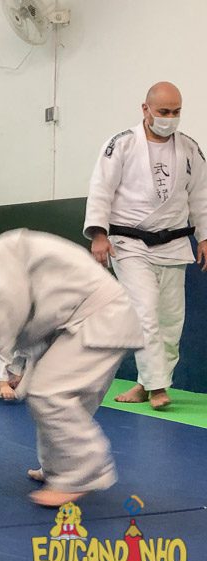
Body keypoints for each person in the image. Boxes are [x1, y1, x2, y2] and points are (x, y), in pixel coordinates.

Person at [0, 230, 143, 507]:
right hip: (98, 319)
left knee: (48, 393)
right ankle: (59, 469)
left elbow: (8, 301)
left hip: (97, 318)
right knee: (60, 399)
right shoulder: (22, 253)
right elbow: (34, 323)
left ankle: (85, 473)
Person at [84, 81, 207, 409]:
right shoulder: (121, 144)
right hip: (129, 243)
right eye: (164, 111)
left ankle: (144, 383)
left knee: (171, 322)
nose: (170, 118)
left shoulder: (190, 149)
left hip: (174, 243)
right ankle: (158, 388)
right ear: (145, 109)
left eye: (176, 112)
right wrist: (99, 235)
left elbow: (200, 195)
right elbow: (101, 189)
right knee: (146, 313)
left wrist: (204, 236)